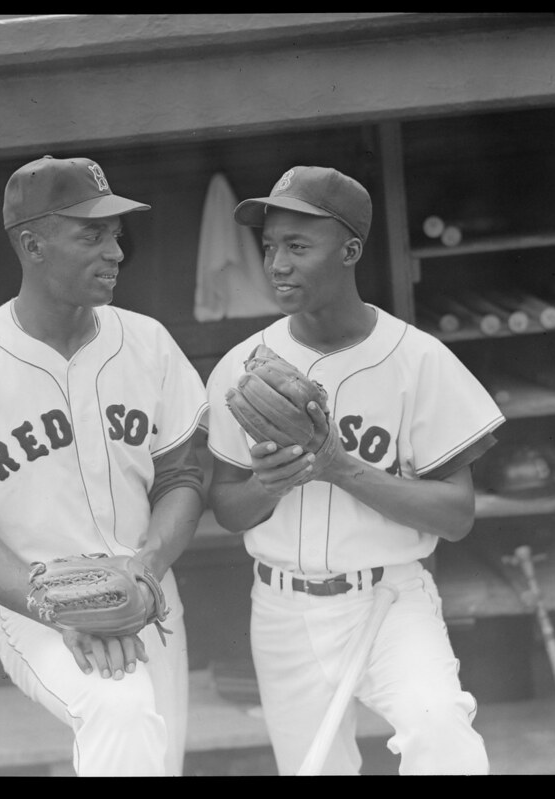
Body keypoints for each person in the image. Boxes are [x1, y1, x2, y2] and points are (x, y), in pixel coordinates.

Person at [0, 155, 208, 777]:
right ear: (32, 244)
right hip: (31, 604)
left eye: (116, 232)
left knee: (153, 759)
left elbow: (182, 479)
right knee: (119, 710)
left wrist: (146, 566)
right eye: (92, 234)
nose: (115, 250)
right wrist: (59, 609)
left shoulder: (147, 342)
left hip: (150, 592)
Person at [205, 165, 504, 775]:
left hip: (389, 598)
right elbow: (227, 507)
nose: (276, 264)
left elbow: (457, 515)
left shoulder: (417, 358)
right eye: (268, 247)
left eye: (297, 246)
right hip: (283, 604)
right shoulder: (244, 365)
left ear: (350, 250)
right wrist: (270, 482)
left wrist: (341, 467)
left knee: (442, 737)